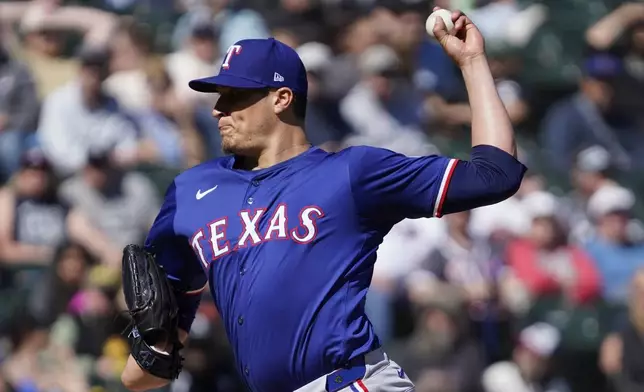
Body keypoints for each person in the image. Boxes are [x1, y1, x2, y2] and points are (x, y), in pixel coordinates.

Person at [120, 7, 527, 392]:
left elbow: (495, 176)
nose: (218, 109)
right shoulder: (192, 192)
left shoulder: (352, 173)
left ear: (281, 98)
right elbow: (142, 377)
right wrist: (151, 344)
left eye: (234, 96)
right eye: (217, 96)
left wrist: (472, 63)